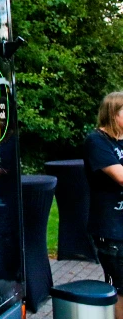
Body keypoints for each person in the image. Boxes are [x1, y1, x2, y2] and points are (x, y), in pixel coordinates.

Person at [83, 91, 123, 318]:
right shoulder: (96, 141)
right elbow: (121, 177)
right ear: (112, 113)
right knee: (121, 288)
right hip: (111, 230)